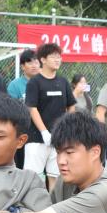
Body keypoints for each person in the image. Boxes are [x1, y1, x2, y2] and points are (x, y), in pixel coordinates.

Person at [25, 42, 75, 182]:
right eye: (53, 56)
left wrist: (68, 128)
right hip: (36, 139)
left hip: (59, 139)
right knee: (33, 178)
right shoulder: (34, 82)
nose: (57, 60)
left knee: (56, 177)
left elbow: (71, 106)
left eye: (59, 57)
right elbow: (32, 108)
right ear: (43, 59)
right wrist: (44, 132)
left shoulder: (63, 82)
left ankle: (54, 198)